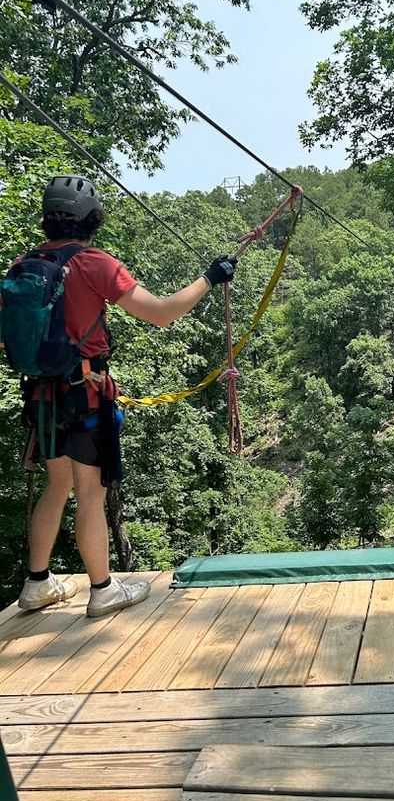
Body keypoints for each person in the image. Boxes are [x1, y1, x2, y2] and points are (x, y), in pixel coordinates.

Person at [7, 175, 237, 617]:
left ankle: (37, 583)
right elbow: (162, 312)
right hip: (86, 396)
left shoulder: (23, 265)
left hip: (41, 395)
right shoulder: (95, 264)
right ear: (92, 219)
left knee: (58, 486)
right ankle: (102, 589)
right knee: (89, 493)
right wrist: (210, 277)